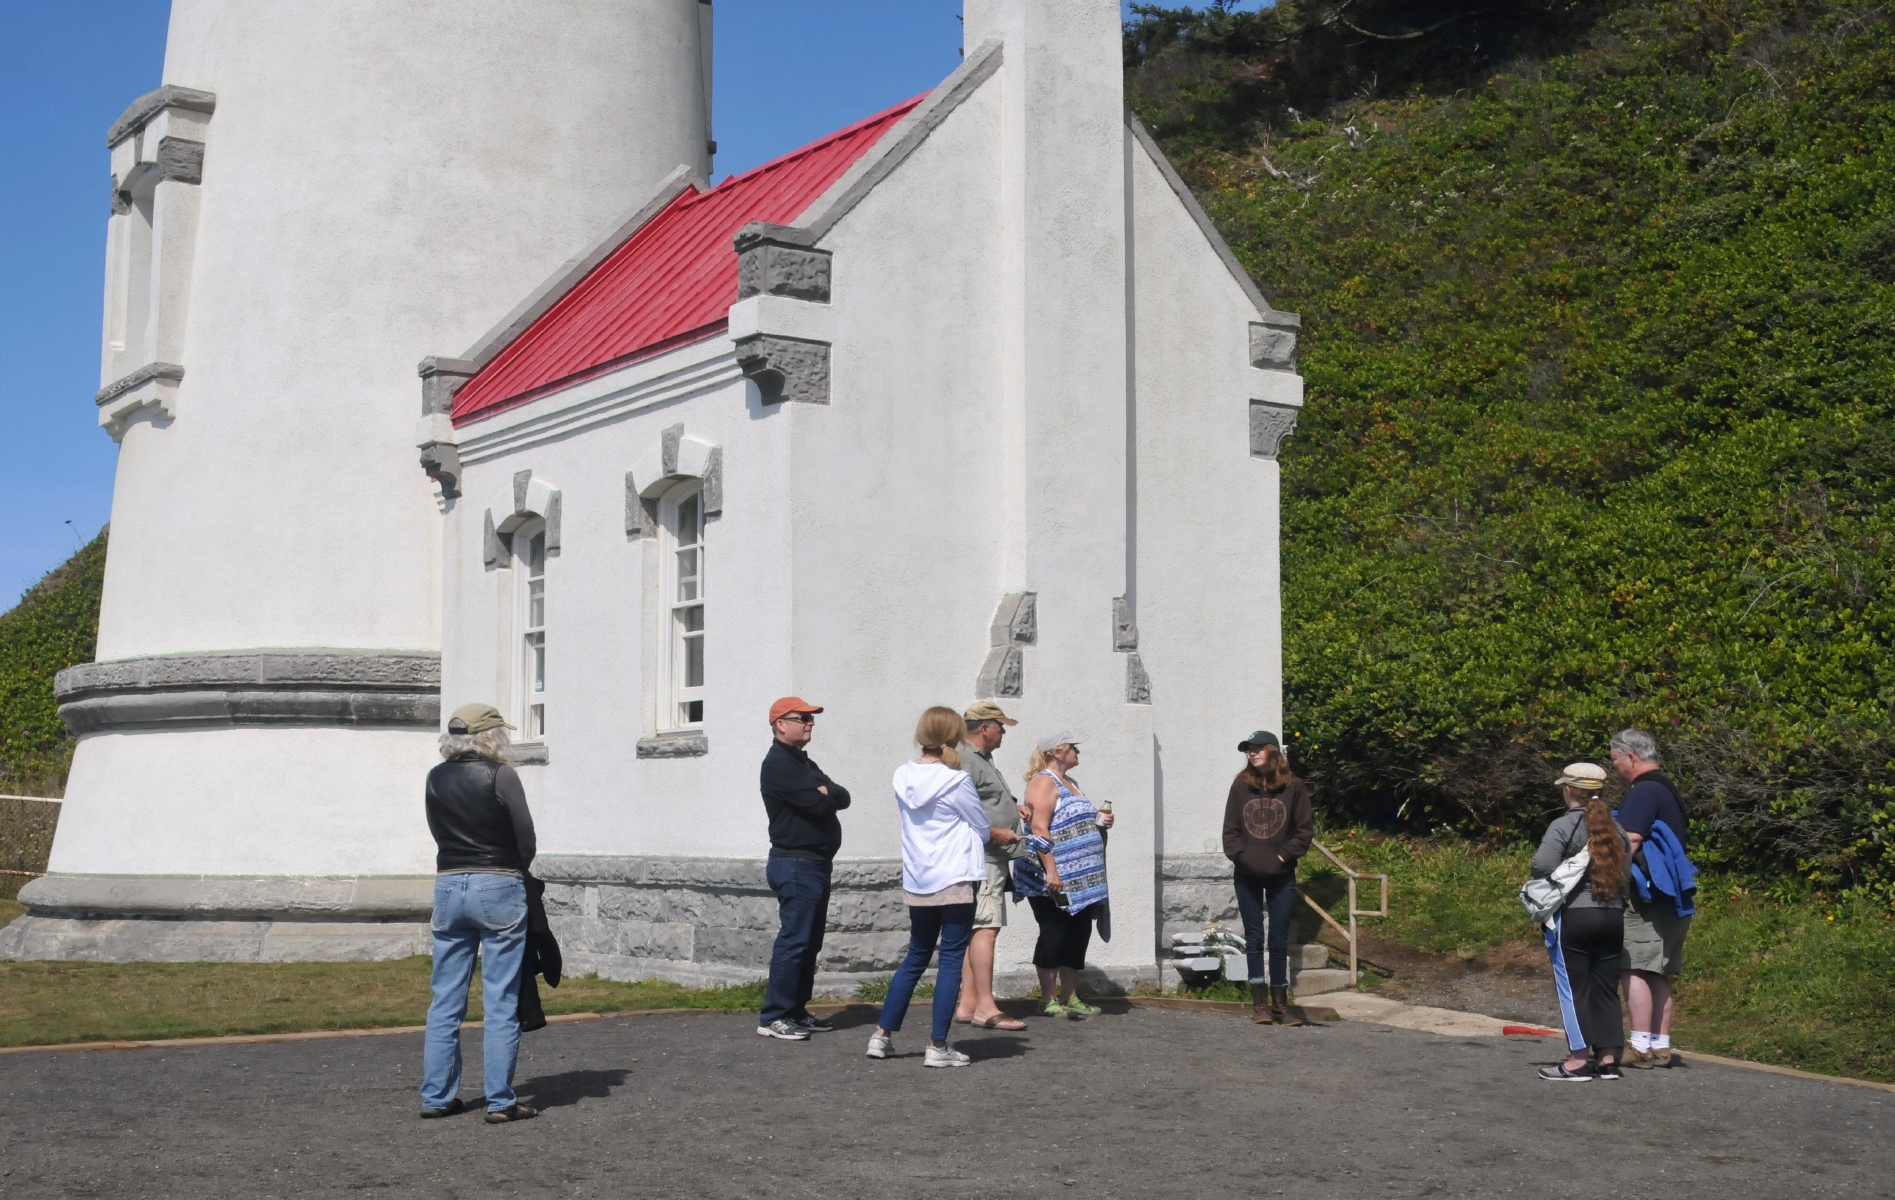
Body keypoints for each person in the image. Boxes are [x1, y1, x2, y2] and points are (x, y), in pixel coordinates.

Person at [867, 707, 1018, 1066]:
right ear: (952, 736)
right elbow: (982, 829)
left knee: (916, 956)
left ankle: (881, 1035)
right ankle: (937, 1045)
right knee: (951, 958)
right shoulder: (957, 780)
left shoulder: (902, 774)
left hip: (919, 875)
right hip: (954, 875)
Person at [420, 702, 540, 1123]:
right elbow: (526, 836)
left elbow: (438, 831)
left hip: (449, 883)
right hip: (498, 882)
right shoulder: (501, 775)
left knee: (445, 999)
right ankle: (501, 1101)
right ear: (492, 737)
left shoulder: (435, 777)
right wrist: (518, 869)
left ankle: (437, 1097)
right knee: (500, 998)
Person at [757, 696, 852, 1041]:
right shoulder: (778, 764)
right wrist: (824, 794)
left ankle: (796, 1010)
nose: (810, 723)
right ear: (781, 724)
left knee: (810, 942)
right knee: (795, 940)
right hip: (794, 863)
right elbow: (816, 803)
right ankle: (774, 1016)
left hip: (814, 863)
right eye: (803, 718)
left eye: (812, 718)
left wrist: (826, 792)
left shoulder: (803, 763)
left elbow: (842, 795)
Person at [1530, 762, 1630, 1081]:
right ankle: (1608, 1057)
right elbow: (1627, 866)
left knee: (1574, 989)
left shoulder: (1564, 826)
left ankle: (1576, 1061)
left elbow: (1541, 865)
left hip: (1575, 914)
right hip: (1613, 914)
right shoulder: (1618, 830)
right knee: (1605, 987)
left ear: (1570, 790)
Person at [1012, 732, 1113, 1018]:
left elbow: (1069, 820)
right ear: (1058, 752)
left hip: (1083, 881)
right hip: (1051, 877)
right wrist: (1052, 870)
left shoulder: (1072, 783)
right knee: (1054, 932)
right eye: (1073, 748)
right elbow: (1039, 828)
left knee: (1078, 933)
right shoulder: (1043, 781)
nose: (1078, 753)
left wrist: (1099, 820)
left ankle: (1070, 995)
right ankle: (1048, 998)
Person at [1611, 728, 1694, 1069]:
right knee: (1658, 971)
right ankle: (1661, 1046)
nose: (1614, 766)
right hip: (1673, 898)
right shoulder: (1666, 789)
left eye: (1615, 759)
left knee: (1633, 968)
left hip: (1646, 899)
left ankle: (1641, 1046)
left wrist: (1606, 880)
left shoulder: (1643, 792)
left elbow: (1629, 841)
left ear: (1631, 756)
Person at [1221, 730, 1314, 1025]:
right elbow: (1231, 830)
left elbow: (1304, 831)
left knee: (1277, 939)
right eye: (1249, 749)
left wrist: (1283, 857)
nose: (1252, 753)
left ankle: (1280, 1005)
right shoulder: (1240, 786)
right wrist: (1242, 857)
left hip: (1281, 875)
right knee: (1253, 938)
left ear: (1273, 751)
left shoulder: (1294, 787)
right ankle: (1258, 1003)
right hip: (1246, 874)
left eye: (1258, 748)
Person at [952, 700, 1031, 1030]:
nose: (1003, 733)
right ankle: (985, 1006)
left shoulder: (978, 758)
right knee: (986, 929)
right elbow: (958, 805)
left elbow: (981, 797)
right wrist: (993, 830)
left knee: (977, 929)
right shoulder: (966, 758)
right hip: (984, 856)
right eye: (1000, 727)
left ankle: (968, 1005)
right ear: (985, 727)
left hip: (989, 856)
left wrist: (1013, 807)